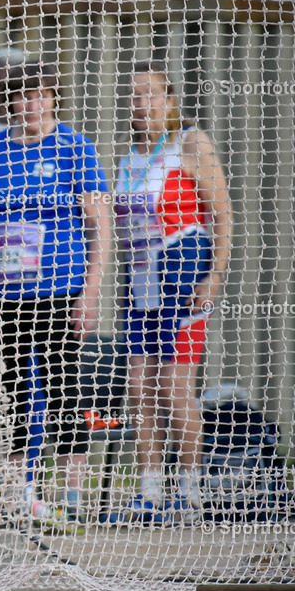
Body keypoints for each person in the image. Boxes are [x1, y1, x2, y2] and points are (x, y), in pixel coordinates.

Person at [0, 59, 112, 525]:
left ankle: (72, 494)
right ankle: (21, 492)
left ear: (54, 98)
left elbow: (100, 223)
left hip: (61, 286)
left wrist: (91, 291)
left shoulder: (75, 147)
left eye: (41, 95)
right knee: (12, 390)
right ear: (9, 102)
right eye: (22, 95)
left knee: (62, 388)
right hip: (5, 292)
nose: (31, 104)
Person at [113, 60, 232, 524]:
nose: (142, 104)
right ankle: (149, 491)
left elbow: (222, 215)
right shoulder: (128, 158)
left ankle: (189, 489)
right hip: (141, 273)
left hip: (183, 267)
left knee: (173, 384)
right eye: (135, 95)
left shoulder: (190, 144)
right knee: (140, 385)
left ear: (171, 100)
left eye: (152, 94)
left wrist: (214, 276)